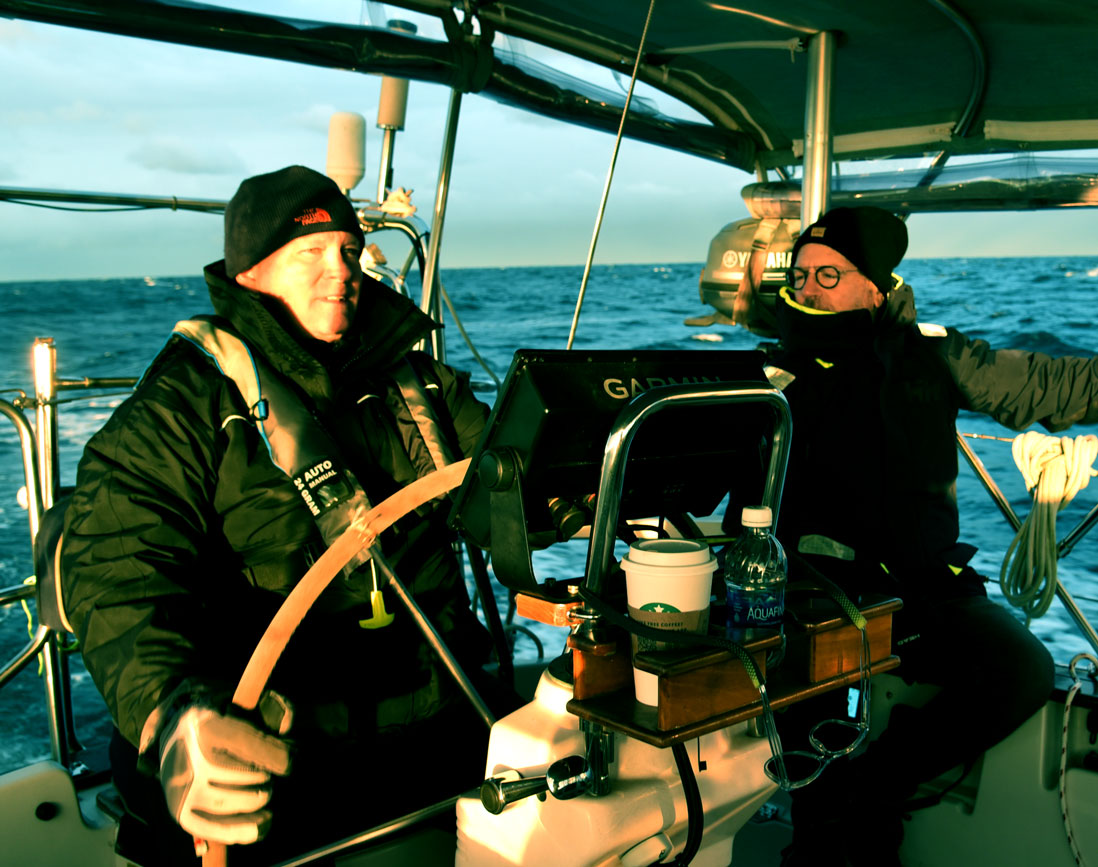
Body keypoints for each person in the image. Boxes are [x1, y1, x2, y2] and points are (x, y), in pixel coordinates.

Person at [61, 165, 501, 865]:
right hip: (288, 769)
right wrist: (172, 716)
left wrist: (601, 480)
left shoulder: (411, 382)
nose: (342, 271)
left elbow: (510, 471)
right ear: (251, 275)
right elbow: (117, 573)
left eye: (350, 252)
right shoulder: (180, 409)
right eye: (311, 254)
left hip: (448, 739)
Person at [735, 206, 1098, 866]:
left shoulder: (933, 356)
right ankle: (832, 831)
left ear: (878, 285)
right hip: (809, 599)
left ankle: (879, 780)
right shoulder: (768, 376)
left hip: (920, 590)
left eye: (829, 274)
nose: (808, 288)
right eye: (800, 274)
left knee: (1021, 669)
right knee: (817, 765)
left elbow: (1045, 385)